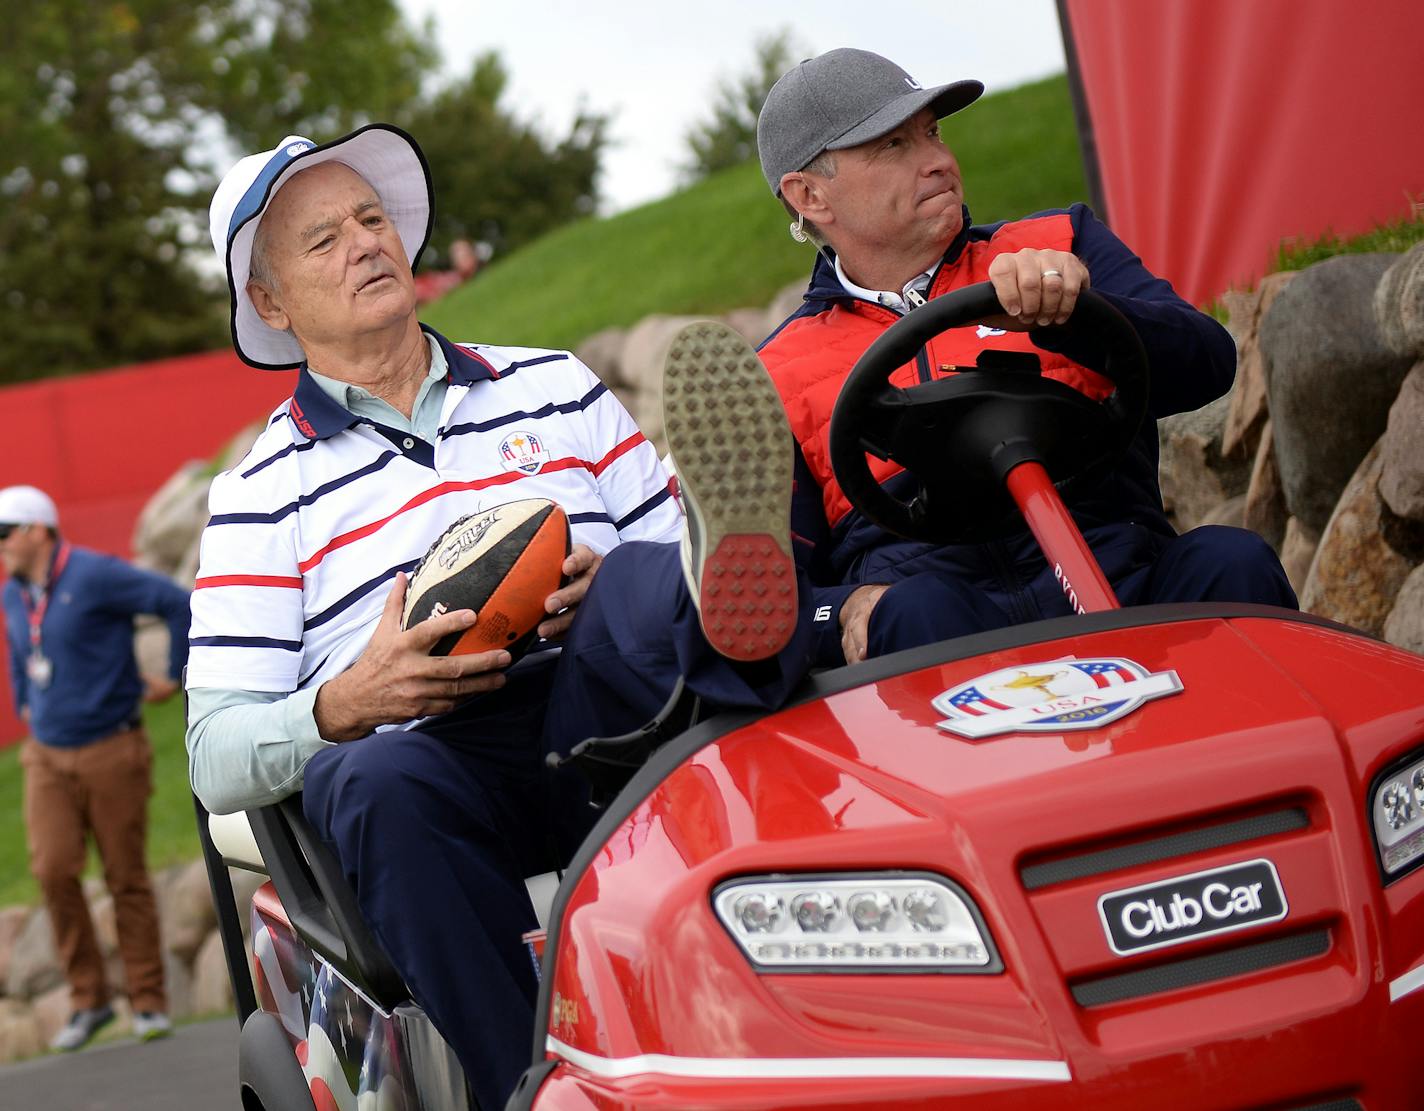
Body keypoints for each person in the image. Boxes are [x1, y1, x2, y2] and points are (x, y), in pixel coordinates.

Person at [186, 124, 815, 1109]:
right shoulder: (259, 494)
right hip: (432, 766)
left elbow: (666, 577)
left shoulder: (553, 382)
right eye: (323, 239)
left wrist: (614, 573)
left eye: (371, 217)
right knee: (372, 770)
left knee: (648, 583)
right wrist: (351, 697)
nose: (364, 241)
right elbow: (215, 754)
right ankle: (533, 1088)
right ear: (269, 302)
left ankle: (772, 643)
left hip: (605, 709)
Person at [753, 48, 1297, 665]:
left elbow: (1210, 363)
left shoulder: (1061, 242)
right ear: (809, 196)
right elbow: (774, 605)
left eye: (931, 132)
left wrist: (1076, 315)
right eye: (894, 146)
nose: (938, 161)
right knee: (911, 614)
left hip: (1120, 572)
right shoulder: (771, 375)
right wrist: (846, 612)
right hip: (945, 632)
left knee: (1232, 559)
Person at [0, 485, 189, 1050]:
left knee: (124, 876)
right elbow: (18, 652)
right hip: (47, 756)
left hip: (112, 746)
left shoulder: (96, 574)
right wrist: (25, 704)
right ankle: (89, 1001)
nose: (0, 545)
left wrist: (176, 675)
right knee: (54, 872)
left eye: (4, 533)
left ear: (39, 530)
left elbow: (176, 603)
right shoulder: (13, 593)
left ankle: (149, 1002)